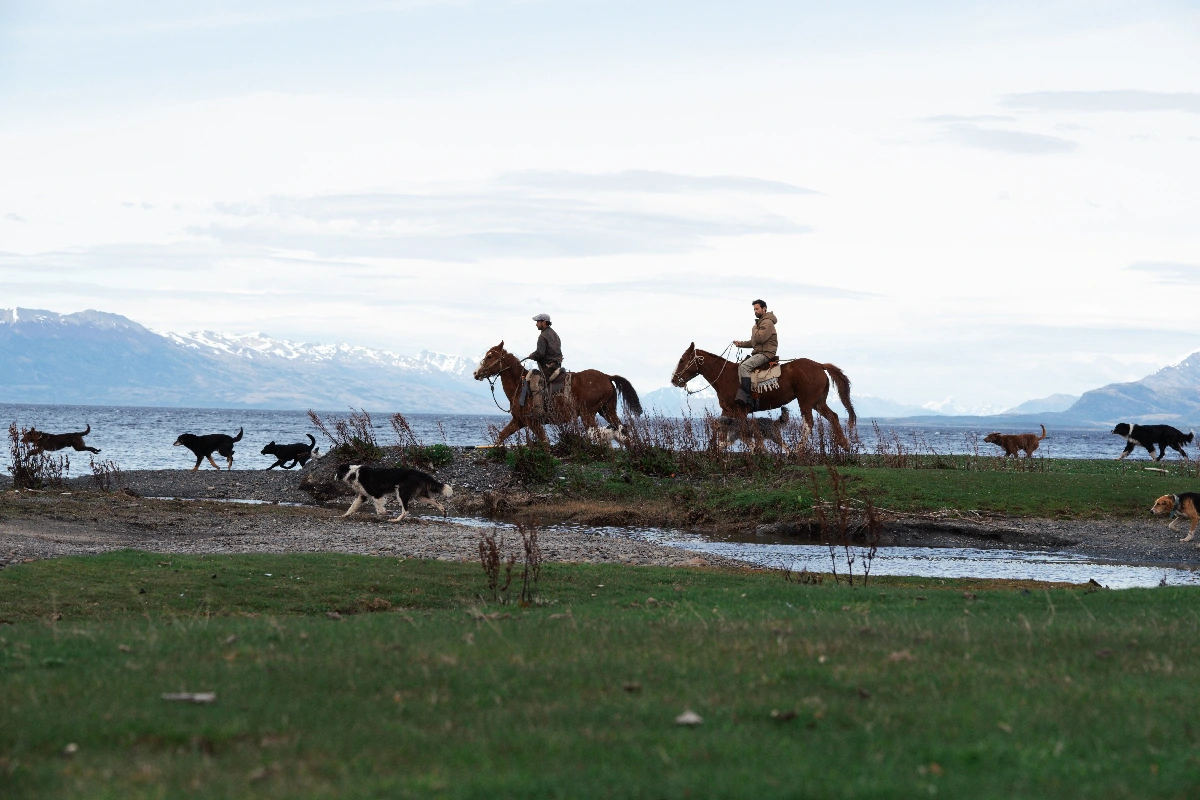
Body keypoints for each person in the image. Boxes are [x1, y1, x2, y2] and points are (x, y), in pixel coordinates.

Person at [732, 299, 778, 409]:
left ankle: (747, 397)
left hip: (766, 353)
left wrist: (754, 328)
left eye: (757, 309)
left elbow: (760, 339)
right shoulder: (761, 322)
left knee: (744, 366)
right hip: (760, 352)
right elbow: (754, 342)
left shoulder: (767, 322)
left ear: (764, 308)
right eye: (754, 309)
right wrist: (741, 344)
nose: (755, 311)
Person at [525, 313, 563, 378]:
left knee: (532, 381)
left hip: (548, 369)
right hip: (557, 366)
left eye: (538, 322)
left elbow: (540, 353)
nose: (536, 324)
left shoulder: (542, 336)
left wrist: (532, 356)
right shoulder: (555, 334)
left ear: (544, 323)